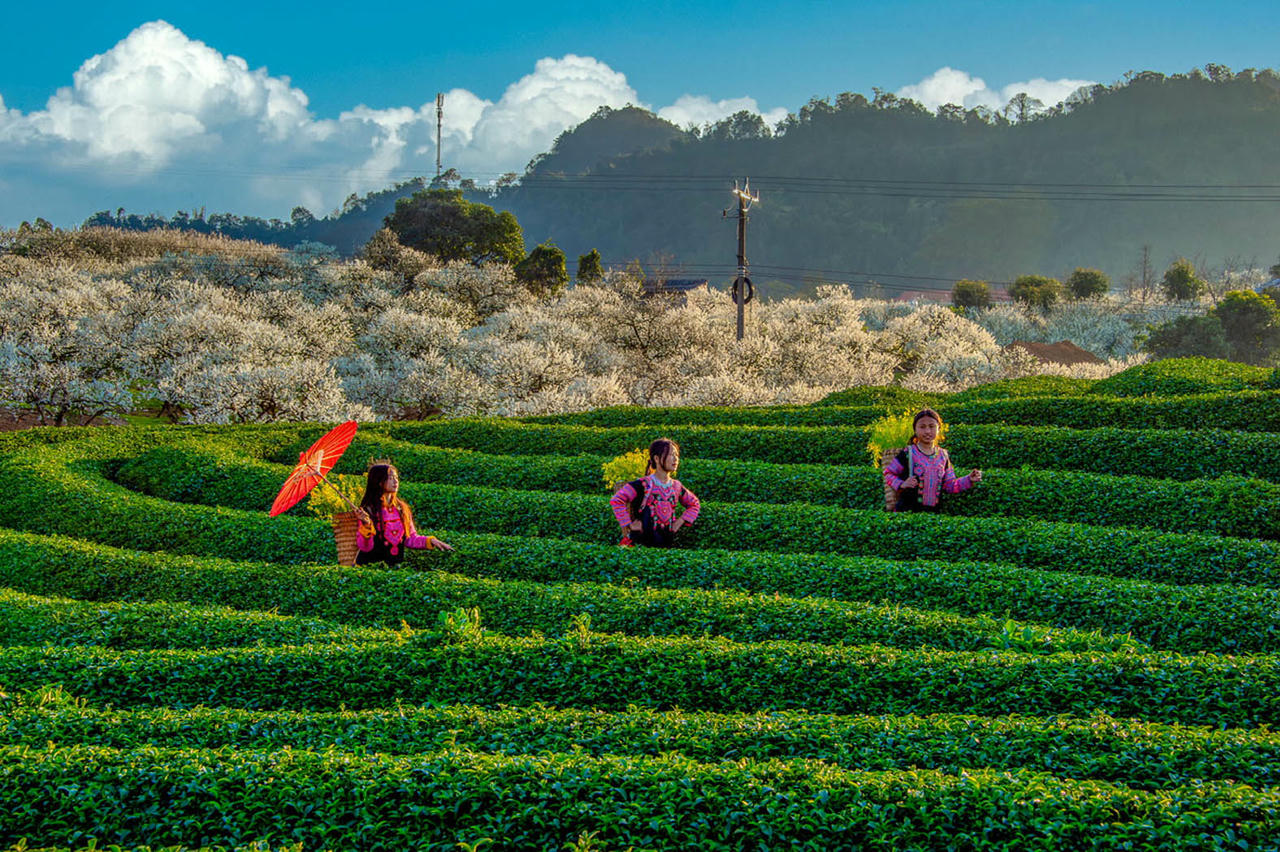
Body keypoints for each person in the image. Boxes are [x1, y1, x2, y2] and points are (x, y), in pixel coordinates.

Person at [354, 462, 454, 565]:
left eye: (396, 477)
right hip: (370, 567)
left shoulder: (401, 508)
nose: (395, 481)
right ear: (379, 481)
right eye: (390, 478)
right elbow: (365, 547)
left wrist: (430, 541)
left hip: (395, 567)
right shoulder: (368, 511)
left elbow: (410, 538)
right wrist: (366, 525)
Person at [883, 409, 982, 512]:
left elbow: (950, 485)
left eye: (931, 426)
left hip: (933, 515)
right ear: (915, 430)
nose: (927, 431)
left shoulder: (943, 456)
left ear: (938, 428)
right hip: (907, 513)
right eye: (922, 427)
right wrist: (902, 484)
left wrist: (969, 479)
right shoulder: (908, 453)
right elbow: (888, 473)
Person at [610, 438, 700, 547]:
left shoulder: (677, 486)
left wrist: (679, 522)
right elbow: (617, 500)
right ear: (656, 458)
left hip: (667, 543)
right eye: (671, 454)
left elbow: (694, 504)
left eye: (676, 455)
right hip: (641, 544)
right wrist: (628, 524)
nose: (675, 459)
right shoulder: (642, 484)